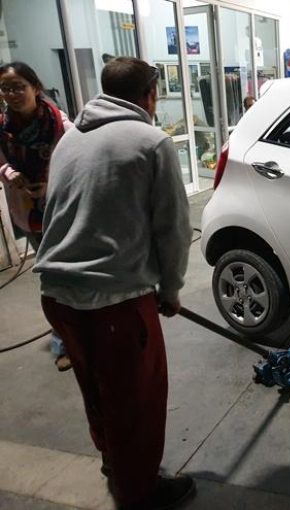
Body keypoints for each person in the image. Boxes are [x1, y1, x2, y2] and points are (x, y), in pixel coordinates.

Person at [34, 57, 194, 510]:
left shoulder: (69, 139)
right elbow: (174, 229)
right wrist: (171, 290)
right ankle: (140, 490)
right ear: (150, 94)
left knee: (98, 389)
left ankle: (113, 461)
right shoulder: (151, 142)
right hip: (114, 302)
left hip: (57, 296)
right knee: (138, 401)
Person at [0, 61, 73, 372]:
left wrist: (50, 182)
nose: (12, 93)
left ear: (36, 88)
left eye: (19, 87)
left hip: (64, 209)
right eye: (6, 88)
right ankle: (63, 342)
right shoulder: (3, 127)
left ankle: (83, 333)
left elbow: (75, 163)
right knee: (52, 278)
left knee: (71, 274)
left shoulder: (60, 125)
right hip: (29, 214)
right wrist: (11, 173)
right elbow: (0, 161)